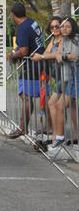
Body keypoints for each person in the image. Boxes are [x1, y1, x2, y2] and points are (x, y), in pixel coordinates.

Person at [7, 3, 45, 139]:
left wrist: (11, 55)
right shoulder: (32, 22)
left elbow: (24, 51)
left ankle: (23, 128)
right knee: (34, 96)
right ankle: (46, 128)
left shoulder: (22, 28)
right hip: (39, 62)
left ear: (13, 15)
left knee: (26, 96)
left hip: (31, 65)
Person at [47, 17, 79, 161]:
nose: (64, 29)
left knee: (61, 105)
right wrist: (60, 54)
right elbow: (56, 54)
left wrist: (63, 55)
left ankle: (60, 138)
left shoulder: (75, 39)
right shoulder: (64, 40)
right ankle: (59, 138)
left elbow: (75, 56)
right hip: (69, 76)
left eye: (67, 26)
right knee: (61, 106)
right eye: (62, 26)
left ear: (73, 28)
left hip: (75, 75)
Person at [30, 16, 63, 151]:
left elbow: (56, 54)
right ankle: (56, 134)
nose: (55, 29)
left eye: (57, 26)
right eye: (52, 27)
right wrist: (45, 55)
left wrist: (43, 57)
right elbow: (47, 52)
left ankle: (58, 135)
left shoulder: (63, 40)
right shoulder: (53, 39)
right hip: (58, 76)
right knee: (55, 104)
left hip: (67, 76)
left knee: (57, 105)